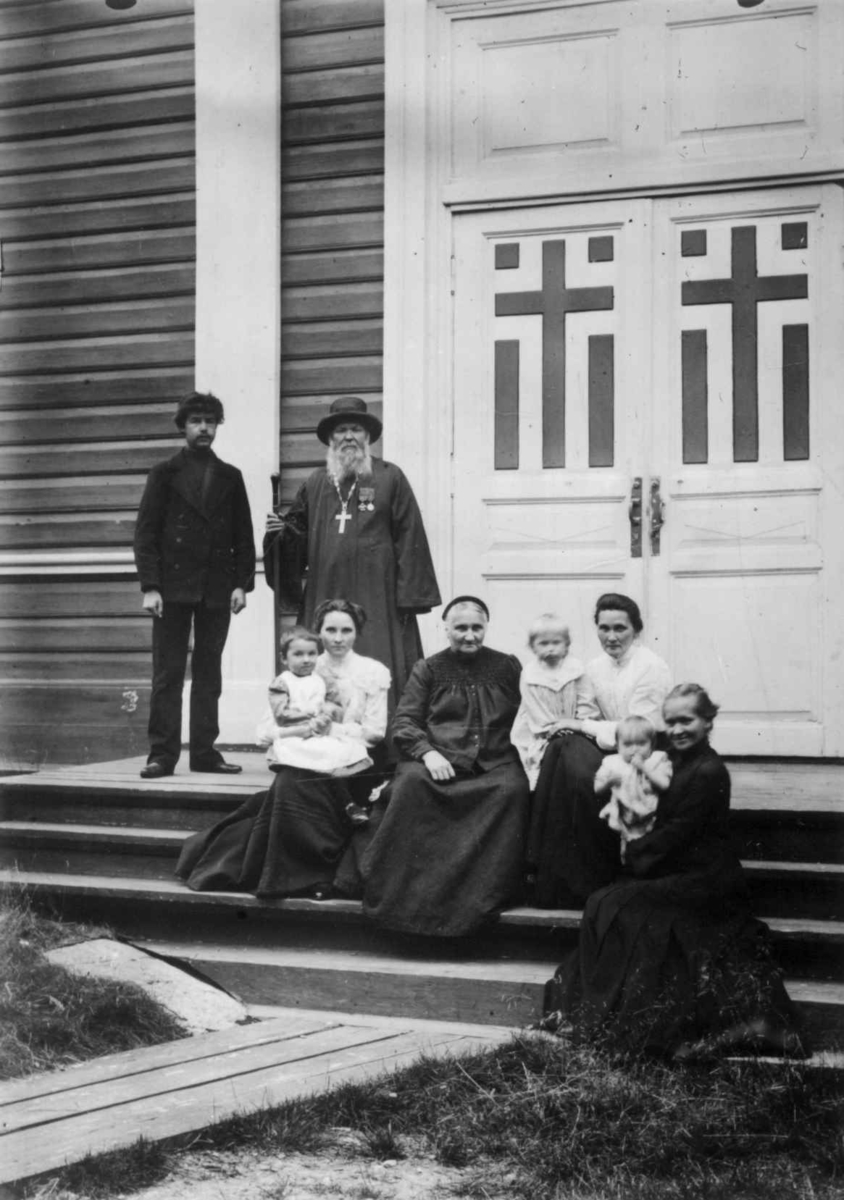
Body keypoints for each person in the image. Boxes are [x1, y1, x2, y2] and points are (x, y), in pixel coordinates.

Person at [540, 684, 806, 1060]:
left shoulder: (708, 770)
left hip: (703, 879)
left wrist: (636, 854)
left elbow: (678, 833)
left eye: (688, 720)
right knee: (604, 901)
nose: (679, 729)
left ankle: (609, 1013)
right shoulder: (674, 759)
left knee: (614, 904)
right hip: (674, 866)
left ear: (708, 721)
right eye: (672, 722)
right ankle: (589, 1009)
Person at [176, 599, 391, 898]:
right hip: (304, 757)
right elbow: (265, 729)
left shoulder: (373, 671)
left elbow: (375, 733)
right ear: (319, 632)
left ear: (358, 632)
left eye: (346, 630)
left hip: (353, 762)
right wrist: (295, 732)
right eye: (330, 630)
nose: (338, 638)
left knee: (300, 783)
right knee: (291, 781)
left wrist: (330, 730)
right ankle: (293, 875)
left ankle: (314, 873)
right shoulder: (300, 667)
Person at [360, 596, 530, 937]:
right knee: (410, 785)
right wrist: (427, 753)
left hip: (494, 761)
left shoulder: (508, 666)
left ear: (486, 628)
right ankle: (409, 901)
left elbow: (529, 712)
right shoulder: (429, 668)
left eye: (476, 628)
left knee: (513, 789)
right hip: (438, 759)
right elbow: (405, 721)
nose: (469, 636)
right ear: (447, 629)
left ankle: (484, 893)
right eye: (461, 628)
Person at [262, 395, 441, 712]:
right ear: (330, 439)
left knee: (378, 657)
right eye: (341, 430)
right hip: (325, 590)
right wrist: (280, 534)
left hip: (378, 595)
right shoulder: (316, 482)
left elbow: (409, 534)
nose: (348, 437)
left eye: (355, 429)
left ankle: (383, 742)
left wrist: (407, 598)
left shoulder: (390, 477)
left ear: (367, 436)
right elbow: (296, 536)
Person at [133, 392, 255, 779]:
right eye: (196, 421)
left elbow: (244, 535)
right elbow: (146, 534)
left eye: (210, 421)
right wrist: (150, 586)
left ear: (218, 426)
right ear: (183, 426)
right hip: (170, 590)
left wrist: (242, 584)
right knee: (167, 674)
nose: (204, 428)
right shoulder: (164, 473)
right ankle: (162, 755)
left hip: (217, 590)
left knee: (209, 672)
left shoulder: (231, 477)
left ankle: (204, 752)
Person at [527, 593, 672, 906]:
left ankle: (584, 875)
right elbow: (587, 713)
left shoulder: (651, 668)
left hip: (641, 751)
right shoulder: (593, 667)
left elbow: (638, 731)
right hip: (608, 744)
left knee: (576, 763)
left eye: (620, 628)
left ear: (637, 630)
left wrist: (584, 727)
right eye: (604, 628)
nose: (611, 636)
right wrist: (577, 724)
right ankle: (556, 875)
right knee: (561, 746)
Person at [259, 626, 371, 777]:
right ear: (284, 658)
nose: (306, 660)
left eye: (311, 654)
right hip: (292, 730)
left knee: (344, 748)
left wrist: (326, 716)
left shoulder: (320, 680)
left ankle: (340, 791)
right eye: (298, 654)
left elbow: (333, 706)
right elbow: (282, 715)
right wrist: (309, 717)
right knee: (304, 752)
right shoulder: (282, 682)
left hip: (317, 730)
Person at [510, 613, 586, 789]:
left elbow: (585, 701)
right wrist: (550, 729)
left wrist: (578, 724)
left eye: (556, 642)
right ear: (533, 647)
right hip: (541, 731)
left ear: (567, 644)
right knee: (538, 761)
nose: (550, 648)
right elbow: (533, 708)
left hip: (575, 728)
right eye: (543, 643)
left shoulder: (576, 669)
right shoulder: (529, 674)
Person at [595, 715, 672, 862]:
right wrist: (609, 782)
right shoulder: (612, 763)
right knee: (626, 850)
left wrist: (643, 767)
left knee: (652, 849)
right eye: (627, 744)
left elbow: (664, 785)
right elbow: (597, 788)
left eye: (641, 743)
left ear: (652, 744)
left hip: (651, 815)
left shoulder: (657, 760)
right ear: (617, 746)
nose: (634, 750)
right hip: (624, 816)